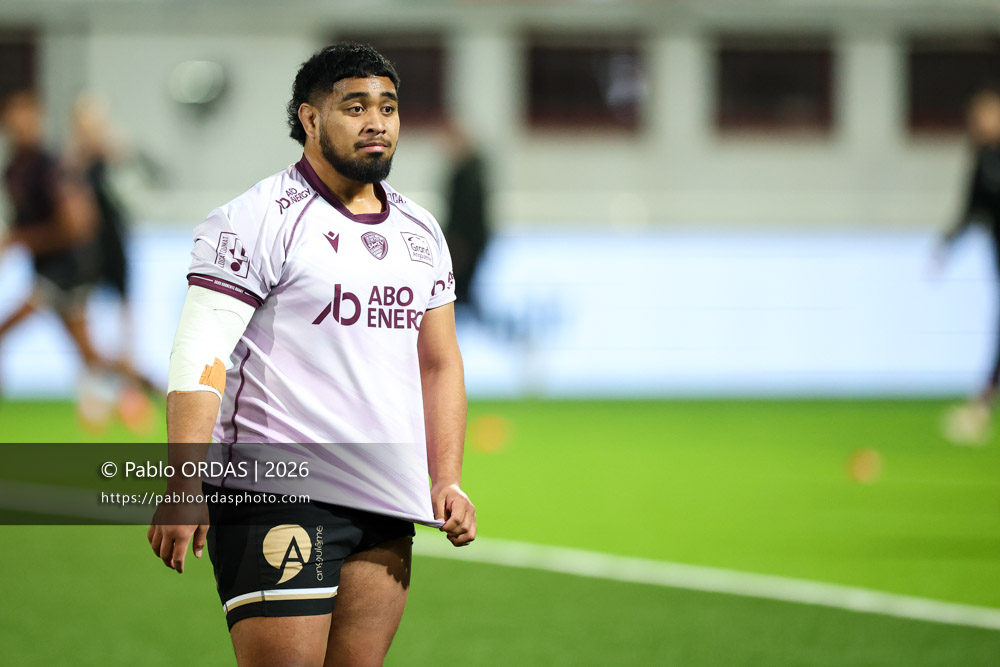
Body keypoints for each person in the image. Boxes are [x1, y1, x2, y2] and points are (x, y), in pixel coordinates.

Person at [147, 43, 476, 666]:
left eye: (388, 108)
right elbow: (201, 351)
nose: (376, 122)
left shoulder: (421, 232)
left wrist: (447, 477)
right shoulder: (255, 218)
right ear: (310, 118)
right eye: (355, 107)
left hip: (384, 495)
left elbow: (440, 363)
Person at [0, 90, 153, 414]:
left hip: (67, 271)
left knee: (5, 330)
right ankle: (151, 387)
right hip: (47, 270)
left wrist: (19, 239)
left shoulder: (52, 166)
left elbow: (77, 226)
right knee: (92, 357)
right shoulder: (14, 170)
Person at [938, 88, 1000, 443]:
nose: (983, 122)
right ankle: (983, 403)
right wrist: (948, 243)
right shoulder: (982, 160)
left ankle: (983, 403)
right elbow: (971, 208)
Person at [441, 119, 490, 316]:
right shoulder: (472, 171)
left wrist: (457, 241)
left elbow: (466, 213)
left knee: (461, 292)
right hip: (468, 241)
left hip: (465, 242)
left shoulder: (468, 175)